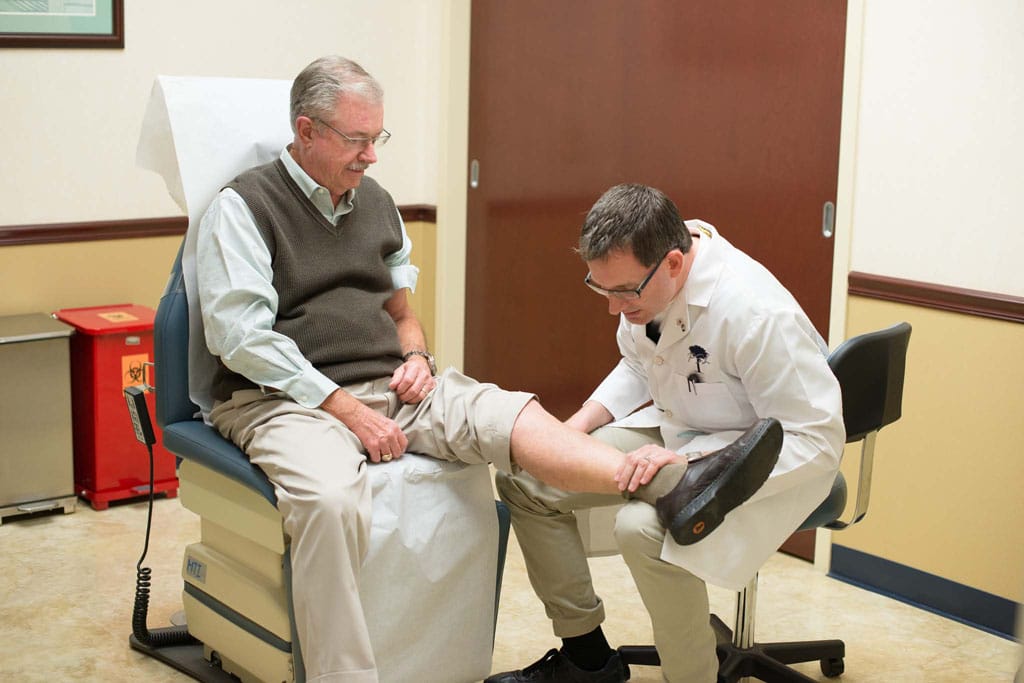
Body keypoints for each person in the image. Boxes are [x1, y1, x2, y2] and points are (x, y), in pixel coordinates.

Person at [196, 57, 780, 683]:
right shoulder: (244, 207)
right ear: (307, 131)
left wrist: (417, 357)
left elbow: (400, 312)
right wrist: (347, 411)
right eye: (357, 139)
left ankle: (676, 486)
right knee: (331, 501)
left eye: (377, 137)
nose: (371, 155)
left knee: (512, 416)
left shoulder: (376, 204)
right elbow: (240, 339)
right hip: (284, 400)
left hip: (394, 385)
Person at [487, 184, 845, 683]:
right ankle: (588, 659)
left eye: (624, 292)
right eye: (601, 289)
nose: (613, 308)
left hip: (767, 461)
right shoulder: (649, 282)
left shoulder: (755, 313)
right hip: (682, 430)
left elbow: (816, 440)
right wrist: (575, 429)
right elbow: (639, 363)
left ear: (674, 263)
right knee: (530, 479)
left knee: (641, 529)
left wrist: (691, 464)